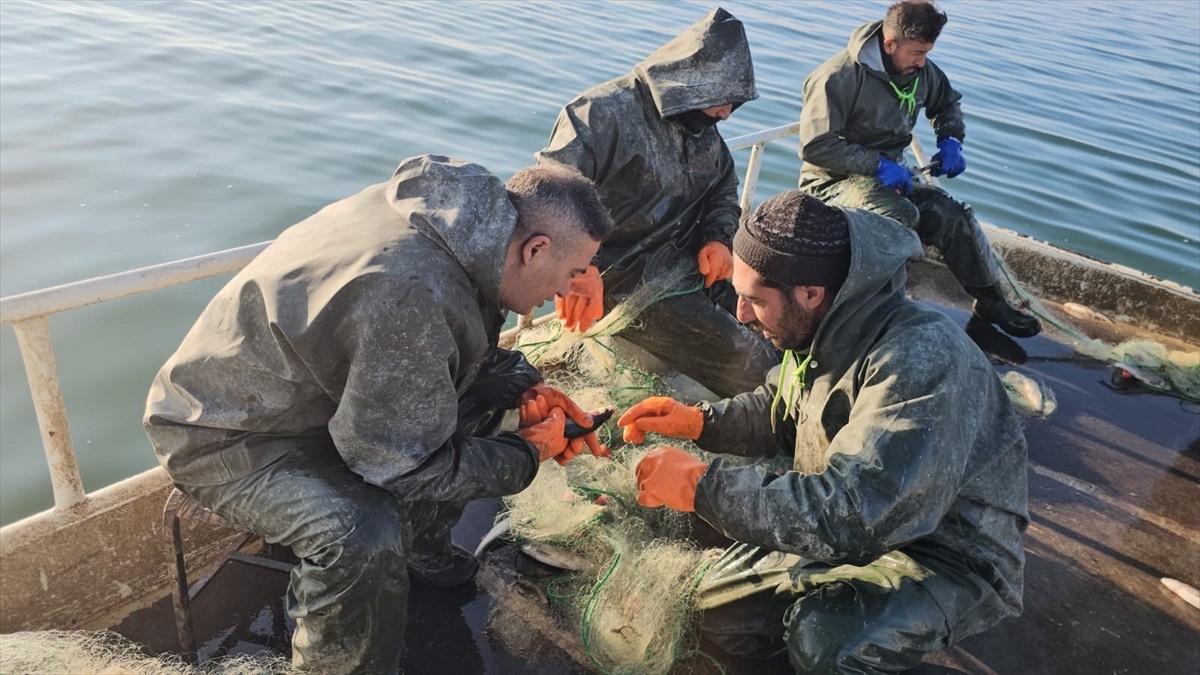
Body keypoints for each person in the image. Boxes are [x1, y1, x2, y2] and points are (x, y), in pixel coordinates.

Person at [144, 155, 614, 674]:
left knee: (493, 389)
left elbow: (453, 349)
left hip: (317, 396)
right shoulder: (411, 291)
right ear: (536, 249)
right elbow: (402, 466)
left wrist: (530, 387)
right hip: (228, 432)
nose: (568, 290)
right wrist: (529, 450)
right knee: (360, 533)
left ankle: (424, 548)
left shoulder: (459, 225)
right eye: (572, 273)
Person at [618, 191, 1028, 672]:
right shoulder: (817, 323)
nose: (741, 315)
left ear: (810, 293)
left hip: (943, 552)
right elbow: (779, 406)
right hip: (849, 515)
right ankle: (807, 606)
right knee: (704, 607)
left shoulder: (920, 359)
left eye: (753, 301)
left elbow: (858, 514)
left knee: (826, 643)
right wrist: (699, 421)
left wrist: (698, 484)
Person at [535, 7, 779, 398]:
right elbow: (548, 196)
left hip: (687, 263)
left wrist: (718, 237)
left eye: (735, 103)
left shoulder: (705, 130)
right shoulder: (600, 113)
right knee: (750, 362)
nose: (727, 114)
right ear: (690, 82)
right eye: (722, 101)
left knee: (776, 311)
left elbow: (723, 189)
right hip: (625, 281)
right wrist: (581, 268)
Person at [798, 0, 1040, 338]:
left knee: (953, 215)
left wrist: (951, 140)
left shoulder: (921, 72)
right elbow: (816, 145)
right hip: (831, 181)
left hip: (892, 176)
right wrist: (876, 165)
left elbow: (946, 103)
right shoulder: (836, 78)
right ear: (889, 44)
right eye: (916, 52)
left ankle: (990, 301)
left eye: (927, 52)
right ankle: (875, 309)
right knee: (898, 216)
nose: (922, 61)